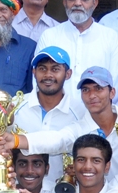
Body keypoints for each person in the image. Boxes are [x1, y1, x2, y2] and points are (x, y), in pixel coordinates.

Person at [35, 0, 118, 115]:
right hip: (56, 117)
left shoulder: (110, 37)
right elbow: (39, 80)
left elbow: (116, 85)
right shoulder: (49, 36)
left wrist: (97, 116)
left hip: (96, 119)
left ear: (95, 3)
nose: (78, 3)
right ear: (65, 2)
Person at [11, 66, 118, 177]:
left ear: (112, 92)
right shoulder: (79, 128)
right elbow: (58, 140)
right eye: (86, 90)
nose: (92, 95)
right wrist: (15, 140)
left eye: (98, 88)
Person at [11, 47, 86, 185]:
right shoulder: (15, 105)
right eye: (42, 69)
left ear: (68, 74)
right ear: (34, 72)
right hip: (20, 192)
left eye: (55, 69)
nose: (48, 75)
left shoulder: (80, 111)